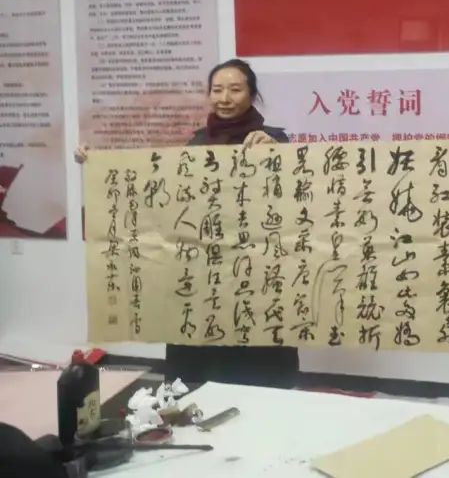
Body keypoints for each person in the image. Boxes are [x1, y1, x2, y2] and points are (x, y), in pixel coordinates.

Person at [75, 58, 299, 389]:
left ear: (252, 95)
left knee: (255, 361)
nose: (224, 98)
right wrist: (97, 164)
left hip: (253, 274)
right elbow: (160, 193)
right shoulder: (195, 143)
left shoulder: (274, 141)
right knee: (199, 366)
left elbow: (298, 196)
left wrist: (278, 156)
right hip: (201, 272)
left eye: (235, 89)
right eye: (217, 90)